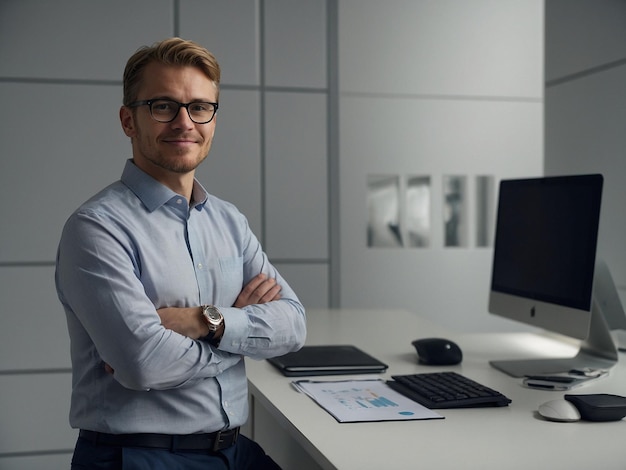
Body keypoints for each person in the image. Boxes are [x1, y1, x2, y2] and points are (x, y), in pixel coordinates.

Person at [55, 37, 307, 469]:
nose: (184, 122)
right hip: (139, 456)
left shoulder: (229, 221)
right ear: (128, 121)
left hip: (234, 451)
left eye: (200, 107)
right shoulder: (96, 228)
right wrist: (241, 335)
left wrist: (203, 321)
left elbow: (294, 327)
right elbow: (144, 365)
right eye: (162, 106)